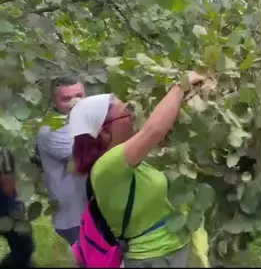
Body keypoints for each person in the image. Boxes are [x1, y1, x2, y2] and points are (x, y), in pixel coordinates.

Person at [67, 71, 205, 267]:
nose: (133, 115)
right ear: (105, 132)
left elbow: (160, 131)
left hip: (170, 251)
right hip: (152, 259)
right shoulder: (106, 167)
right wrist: (181, 86)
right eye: (127, 112)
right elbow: (154, 130)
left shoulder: (129, 159)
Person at [35, 75, 87, 246]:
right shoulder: (51, 131)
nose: (75, 102)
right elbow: (87, 159)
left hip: (88, 212)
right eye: (66, 99)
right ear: (54, 102)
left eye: (79, 96)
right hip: (74, 217)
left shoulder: (83, 121)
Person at [0, 148, 34, 267]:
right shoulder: (3, 154)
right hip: (7, 212)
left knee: (24, 251)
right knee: (25, 249)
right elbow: (8, 186)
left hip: (9, 209)